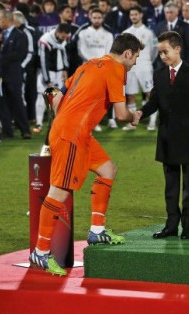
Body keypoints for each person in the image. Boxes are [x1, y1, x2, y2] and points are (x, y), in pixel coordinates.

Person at [29, 33, 143, 276]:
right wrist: (135, 116)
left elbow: (56, 94)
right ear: (127, 53)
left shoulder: (89, 64)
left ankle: (97, 230)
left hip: (77, 132)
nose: (135, 63)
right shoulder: (116, 70)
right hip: (72, 135)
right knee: (59, 190)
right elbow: (121, 115)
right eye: (135, 57)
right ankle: (40, 251)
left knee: (107, 169)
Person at [135, 31, 189, 240]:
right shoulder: (159, 74)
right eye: (160, 53)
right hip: (166, 139)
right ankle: (171, 226)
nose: (163, 56)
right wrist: (140, 113)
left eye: (165, 52)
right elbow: (154, 103)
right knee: (171, 187)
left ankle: (188, 228)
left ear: (177, 49)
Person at [122, 6, 158, 131]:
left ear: (141, 15)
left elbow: (154, 51)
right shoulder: (125, 34)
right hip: (130, 68)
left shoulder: (149, 32)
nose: (134, 17)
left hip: (145, 67)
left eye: (136, 14)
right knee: (130, 95)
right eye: (131, 15)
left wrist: (147, 62)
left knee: (150, 94)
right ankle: (133, 122)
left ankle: (152, 122)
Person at [0, 10, 31, 139]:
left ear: (8, 20)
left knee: (17, 102)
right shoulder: (0, 36)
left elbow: (19, 54)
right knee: (3, 103)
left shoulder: (20, 35)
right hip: (1, 75)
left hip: (14, 75)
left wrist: (0, 58)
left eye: (0, 19)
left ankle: (25, 130)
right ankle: (7, 132)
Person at [34, 24, 70, 134]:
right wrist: (47, 80)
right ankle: (39, 124)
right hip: (46, 72)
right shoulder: (45, 40)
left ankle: (54, 125)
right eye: (63, 36)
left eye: (66, 37)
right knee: (42, 97)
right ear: (58, 32)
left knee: (58, 99)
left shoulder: (61, 39)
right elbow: (43, 61)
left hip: (58, 72)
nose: (64, 39)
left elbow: (63, 53)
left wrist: (64, 69)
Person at [156, 2, 189, 68]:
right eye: (167, 12)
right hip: (163, 65)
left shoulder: (185, 27)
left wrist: (186, 65)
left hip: (180, 64)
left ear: (177, 12)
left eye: (171, 12)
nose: (168, 15)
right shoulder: (160, 26)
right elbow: (156, 45)